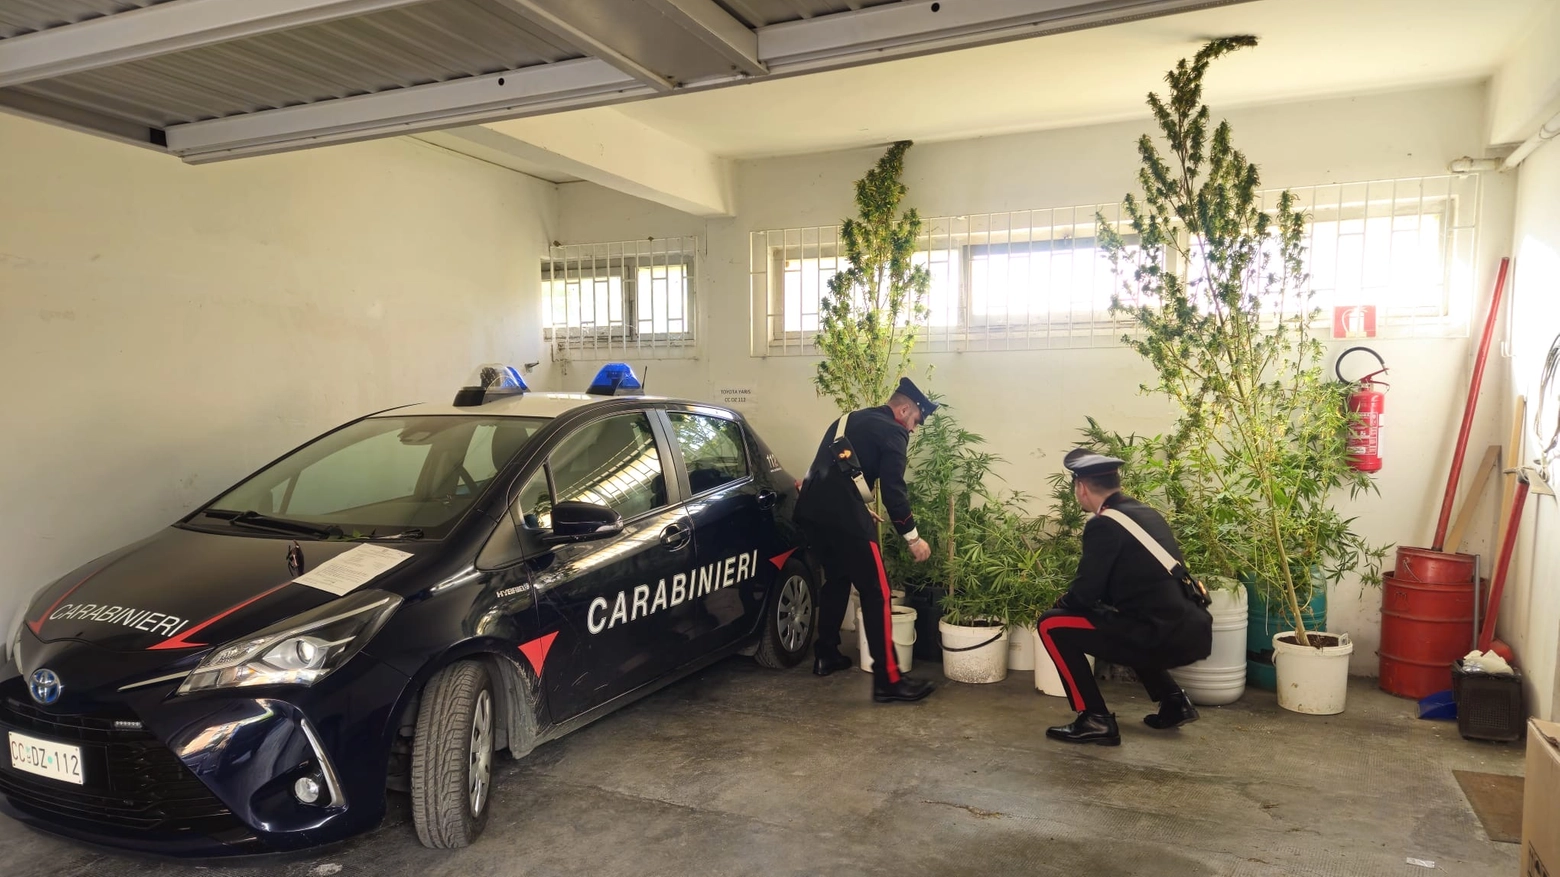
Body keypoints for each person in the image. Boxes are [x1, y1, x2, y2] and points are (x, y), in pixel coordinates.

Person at [1036, 448, 1213, 745]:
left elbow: (1085, 593)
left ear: (1080, 488)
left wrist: (1062, 604)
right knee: (1128, 622)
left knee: (1051, 625)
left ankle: (1095, 718)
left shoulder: (1103, 524)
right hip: (1188, 630)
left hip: (1161, 636)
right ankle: (1174, 702)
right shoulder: (1143, 512)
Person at [795, 377, 938, 703]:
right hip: (844, 517)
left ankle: (826, 653)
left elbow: (833, 470)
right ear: (904, 409)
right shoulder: (894, 431)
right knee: (878, 592)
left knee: (838, 578)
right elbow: (893, 491)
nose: (914, 429)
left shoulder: (846, 420)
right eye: (916, 419)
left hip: (813, 513)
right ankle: (889, 680)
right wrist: (913, 538)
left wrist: (856, 507)